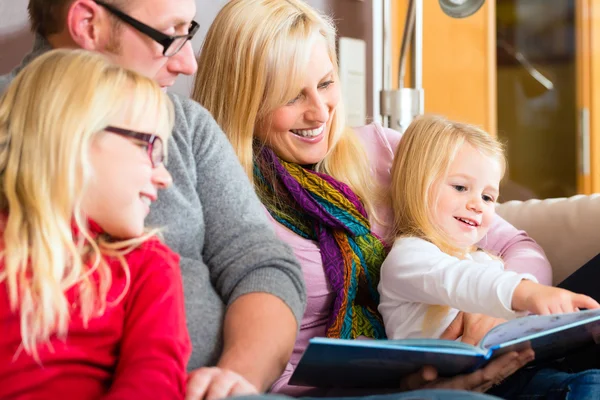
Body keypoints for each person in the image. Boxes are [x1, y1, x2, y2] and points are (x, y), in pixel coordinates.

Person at [193, 0, 548, 396]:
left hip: (476, 356)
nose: (319, 113)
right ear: (242, 99)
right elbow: (255, 361)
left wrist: (498, 309)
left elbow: (516, 245)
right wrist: (399, 383)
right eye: (291, 97)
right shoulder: (226, 201)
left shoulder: (386, 152)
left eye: (326, 84)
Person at [2, 1, 307, 399]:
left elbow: (261, 264)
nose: (188, 64)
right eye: (170, 35)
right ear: (88, 23)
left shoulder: (186, 126)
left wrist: (234, 379)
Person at [0, 48, 190, 399]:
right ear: (76, 137)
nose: (164, 177)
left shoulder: (148, 265)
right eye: (151, 148)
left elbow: (154, 381)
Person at [378, 114, 600, 399]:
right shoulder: (408, 257)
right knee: (589, 386)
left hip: (518, 369)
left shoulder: (483, 260)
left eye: (488, 197)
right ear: (416, 184)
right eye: (460, 187)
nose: (477, 205)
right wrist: (529, 292)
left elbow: (512, 314)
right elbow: (463, 281)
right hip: (473, 383)